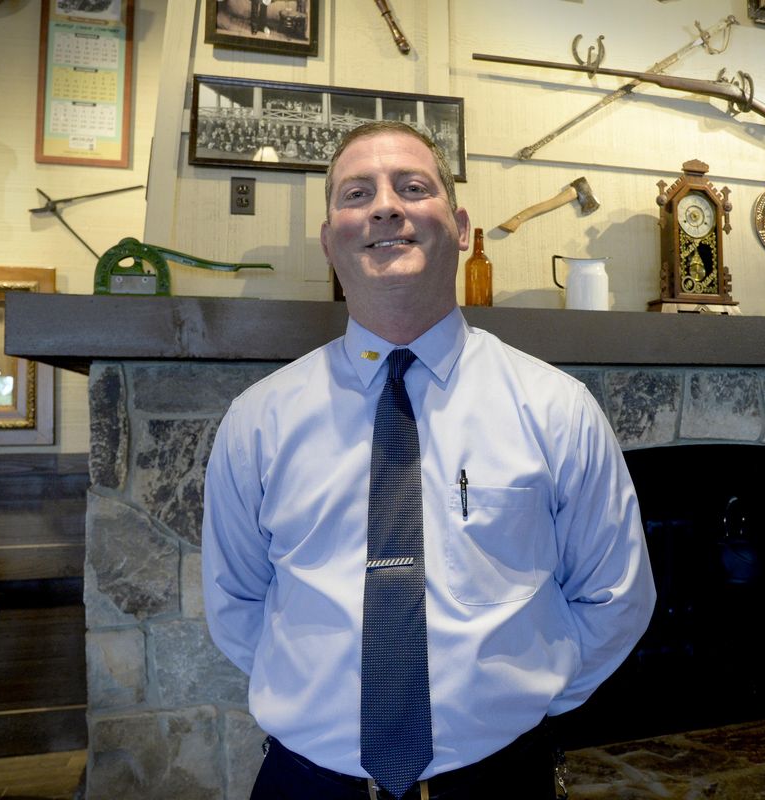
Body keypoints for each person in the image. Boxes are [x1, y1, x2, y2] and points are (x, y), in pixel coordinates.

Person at [202, 120, 656, 800]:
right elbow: (236, 603)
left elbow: (615, 596)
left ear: (462, 226)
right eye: (357, 193)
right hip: (307, 783)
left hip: (501, 778)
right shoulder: (259, 421)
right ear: (331, 240)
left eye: (412, 187)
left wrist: (516, 707)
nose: (385, 206)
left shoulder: (556, 408)